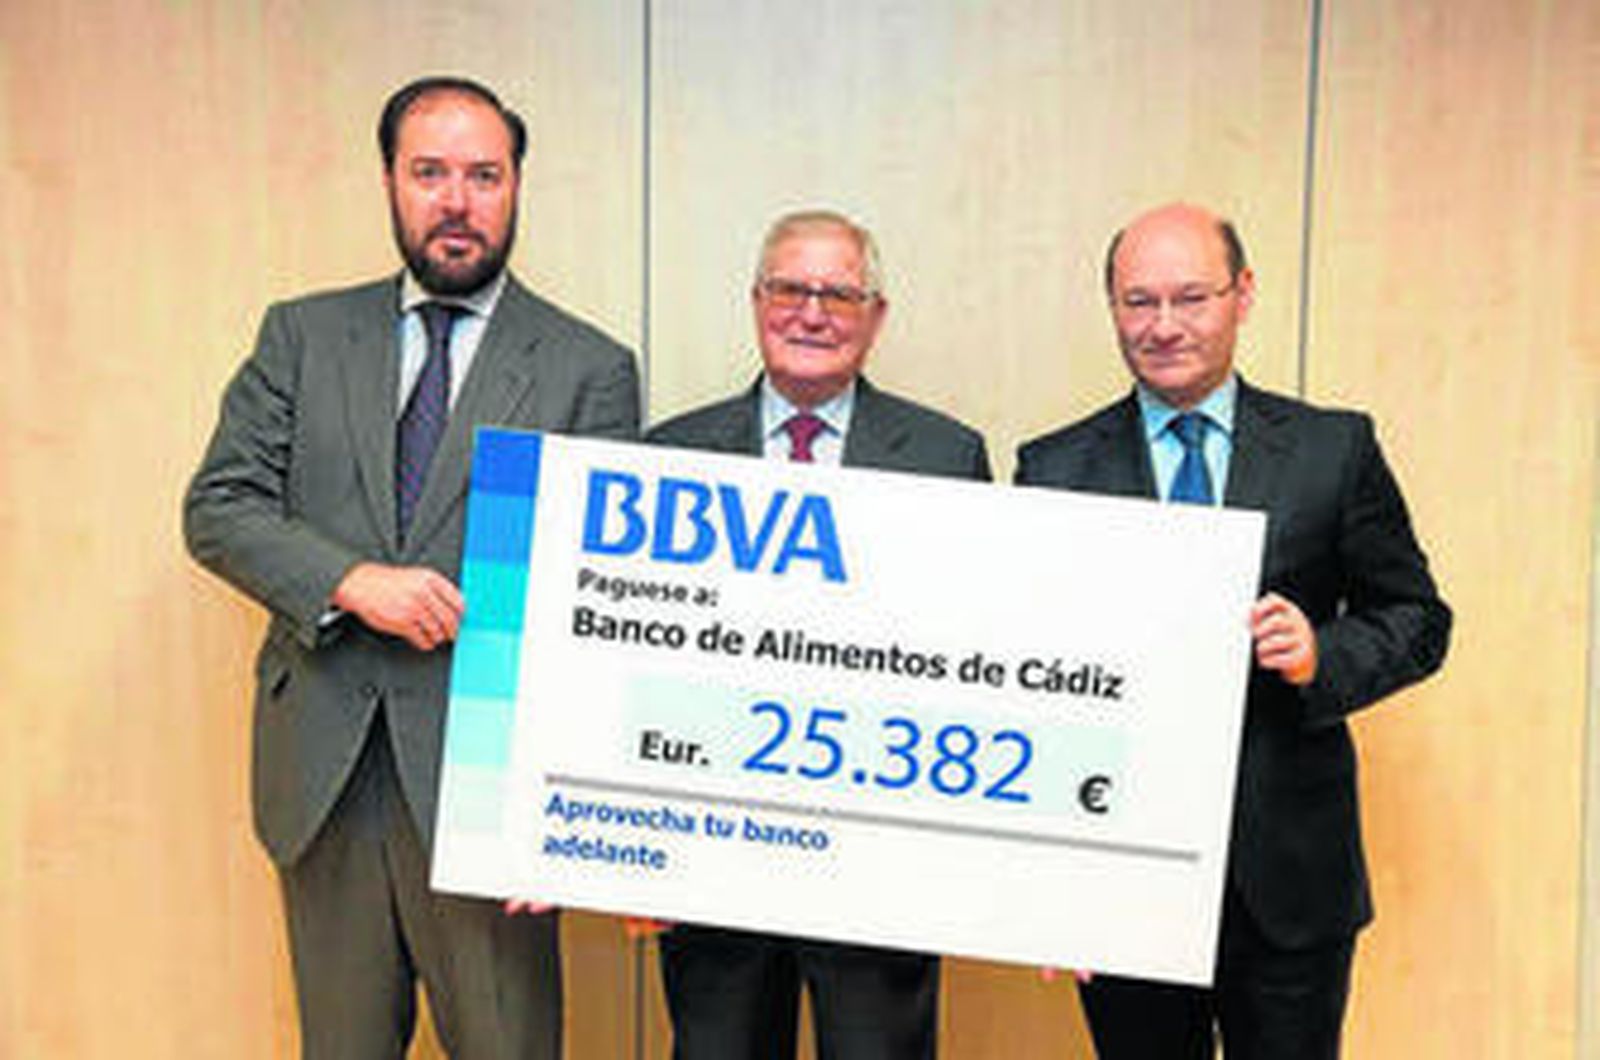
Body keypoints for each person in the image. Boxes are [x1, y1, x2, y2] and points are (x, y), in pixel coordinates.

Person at [183, 76, 639, 1058]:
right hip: (325, 771)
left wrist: (573, 810)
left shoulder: (588, 367)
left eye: (484, 174)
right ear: (389, 179)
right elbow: (219, 507)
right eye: (429, 172)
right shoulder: (300, 336)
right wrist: (351, 580)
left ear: (517, 186)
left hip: (493, 786)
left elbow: (599, 611)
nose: (457, 200)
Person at [1015, 202, 1451, 1058]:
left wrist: (1323, 655)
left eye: (1191, 297)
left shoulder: (1334, 448)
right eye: (1139, 302)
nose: (1165, 326)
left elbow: (1417, 619)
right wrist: (1049, 891)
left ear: (1242, 295)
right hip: (1121, 887)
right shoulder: (1052, 469)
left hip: (1289, 883)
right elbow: (1029, 688)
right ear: (1111, 307)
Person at [646, 208, 990, 1060]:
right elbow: (634, 663)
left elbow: (976, 659)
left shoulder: (948, 458)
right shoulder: (667, 455)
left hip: (881, 867)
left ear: (876, 316)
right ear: (756, 301)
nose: (812, 312)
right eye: (791, 289)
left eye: (839, 293)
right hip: (712, 865)